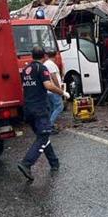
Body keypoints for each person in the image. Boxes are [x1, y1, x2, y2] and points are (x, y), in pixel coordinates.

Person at [18, 47, 71, 181]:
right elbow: (48, 86)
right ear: (44, 56)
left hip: (28, 108)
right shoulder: (41, 69)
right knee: (43, 136)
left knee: (43, 136)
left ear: (32, 55)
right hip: (39, 108)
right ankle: (27, 163)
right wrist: (62, 92)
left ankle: (54, 162)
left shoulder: (26, 70)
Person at [44, 49, 64, 129]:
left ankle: (49, 124)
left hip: (49, 90)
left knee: (52, 109)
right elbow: (53, 76)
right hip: (53, 90)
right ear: (55, 55)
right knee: (59, 107)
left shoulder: (46, 63)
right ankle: (50, 125)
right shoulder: (50, 64)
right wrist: (59, 89)